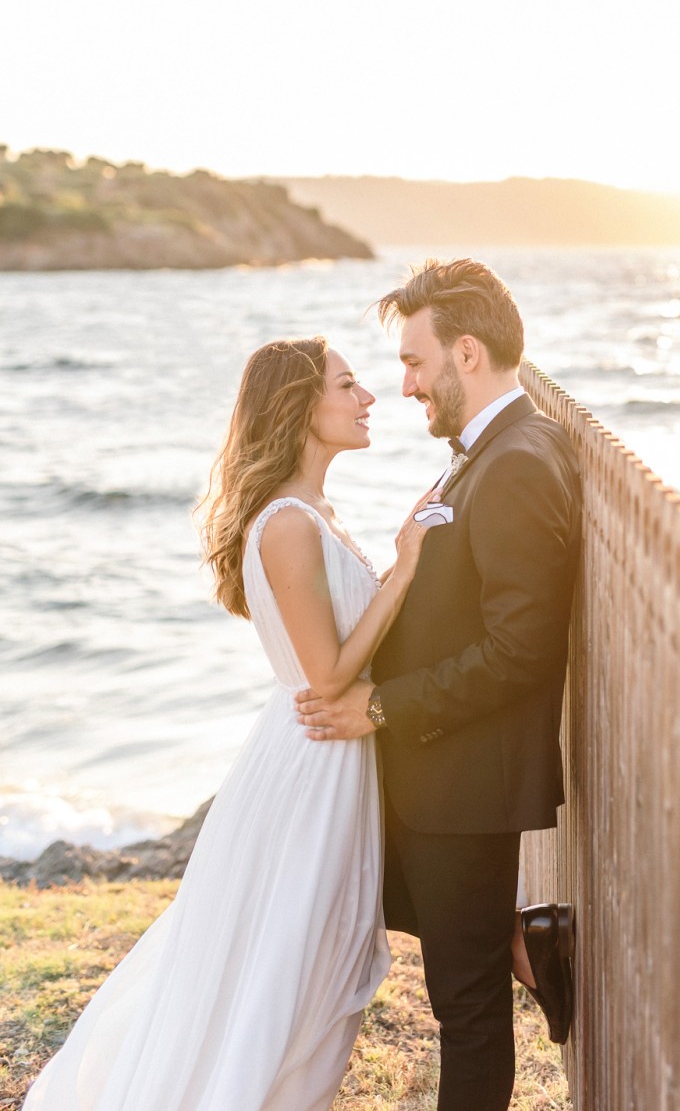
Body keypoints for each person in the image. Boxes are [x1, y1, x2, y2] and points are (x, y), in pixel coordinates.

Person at [24, 336, 432, 1111]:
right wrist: (406, 567)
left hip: (329, 755)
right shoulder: (285, 523)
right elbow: (329, 674)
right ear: (302, 407)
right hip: (311, 762)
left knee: (309, 961)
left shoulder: (315, 512)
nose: (369, 397)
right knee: (286, 965)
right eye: (348, 385)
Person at [295, 258, 582, 1111]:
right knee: (403, 923)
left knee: (466, 1011)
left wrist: (378, 705)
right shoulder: (488, 450)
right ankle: (521, 938)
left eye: (414, 362)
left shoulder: (520, 460)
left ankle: (517, 942)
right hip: (434, 772)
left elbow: (521, 649)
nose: (405, 384)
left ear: (466, 353)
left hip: (465, 784)